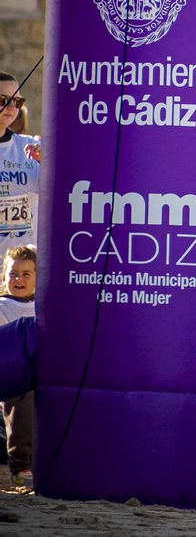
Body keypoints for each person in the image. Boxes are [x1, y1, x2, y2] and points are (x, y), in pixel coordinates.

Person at [0, 245, 34, 487]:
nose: (19, 279)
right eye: (13, 273)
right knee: (20, 401)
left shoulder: (45, 305)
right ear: (4, 276)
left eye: (26, 274)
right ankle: (20, 464)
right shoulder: (3, 307)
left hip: (40, 372)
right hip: (14, 376)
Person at [0, 71, 40, 260]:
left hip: (22, 271)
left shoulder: (31, 147)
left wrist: (49, 163)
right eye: (3, 99)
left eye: (17, 102)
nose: (10, 107)